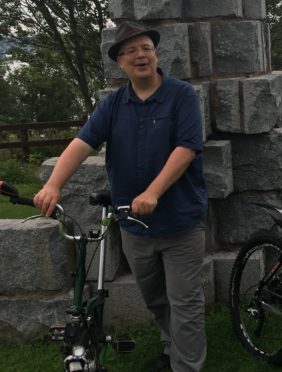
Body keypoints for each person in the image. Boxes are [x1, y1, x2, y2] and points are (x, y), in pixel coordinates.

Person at [34, 21, 208, 372]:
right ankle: (170, 347)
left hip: (179, 223)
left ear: (155, 54)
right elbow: (82, 143)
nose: (139, 55)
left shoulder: (181, 95)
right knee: (156, 299)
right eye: (130, 51)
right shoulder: (113, 105)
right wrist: (53, 184)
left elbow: (187, 149)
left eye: (145, 48)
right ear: (120, 63)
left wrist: (153, 192)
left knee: (185, 303)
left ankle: (186, 366)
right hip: (133, 225)